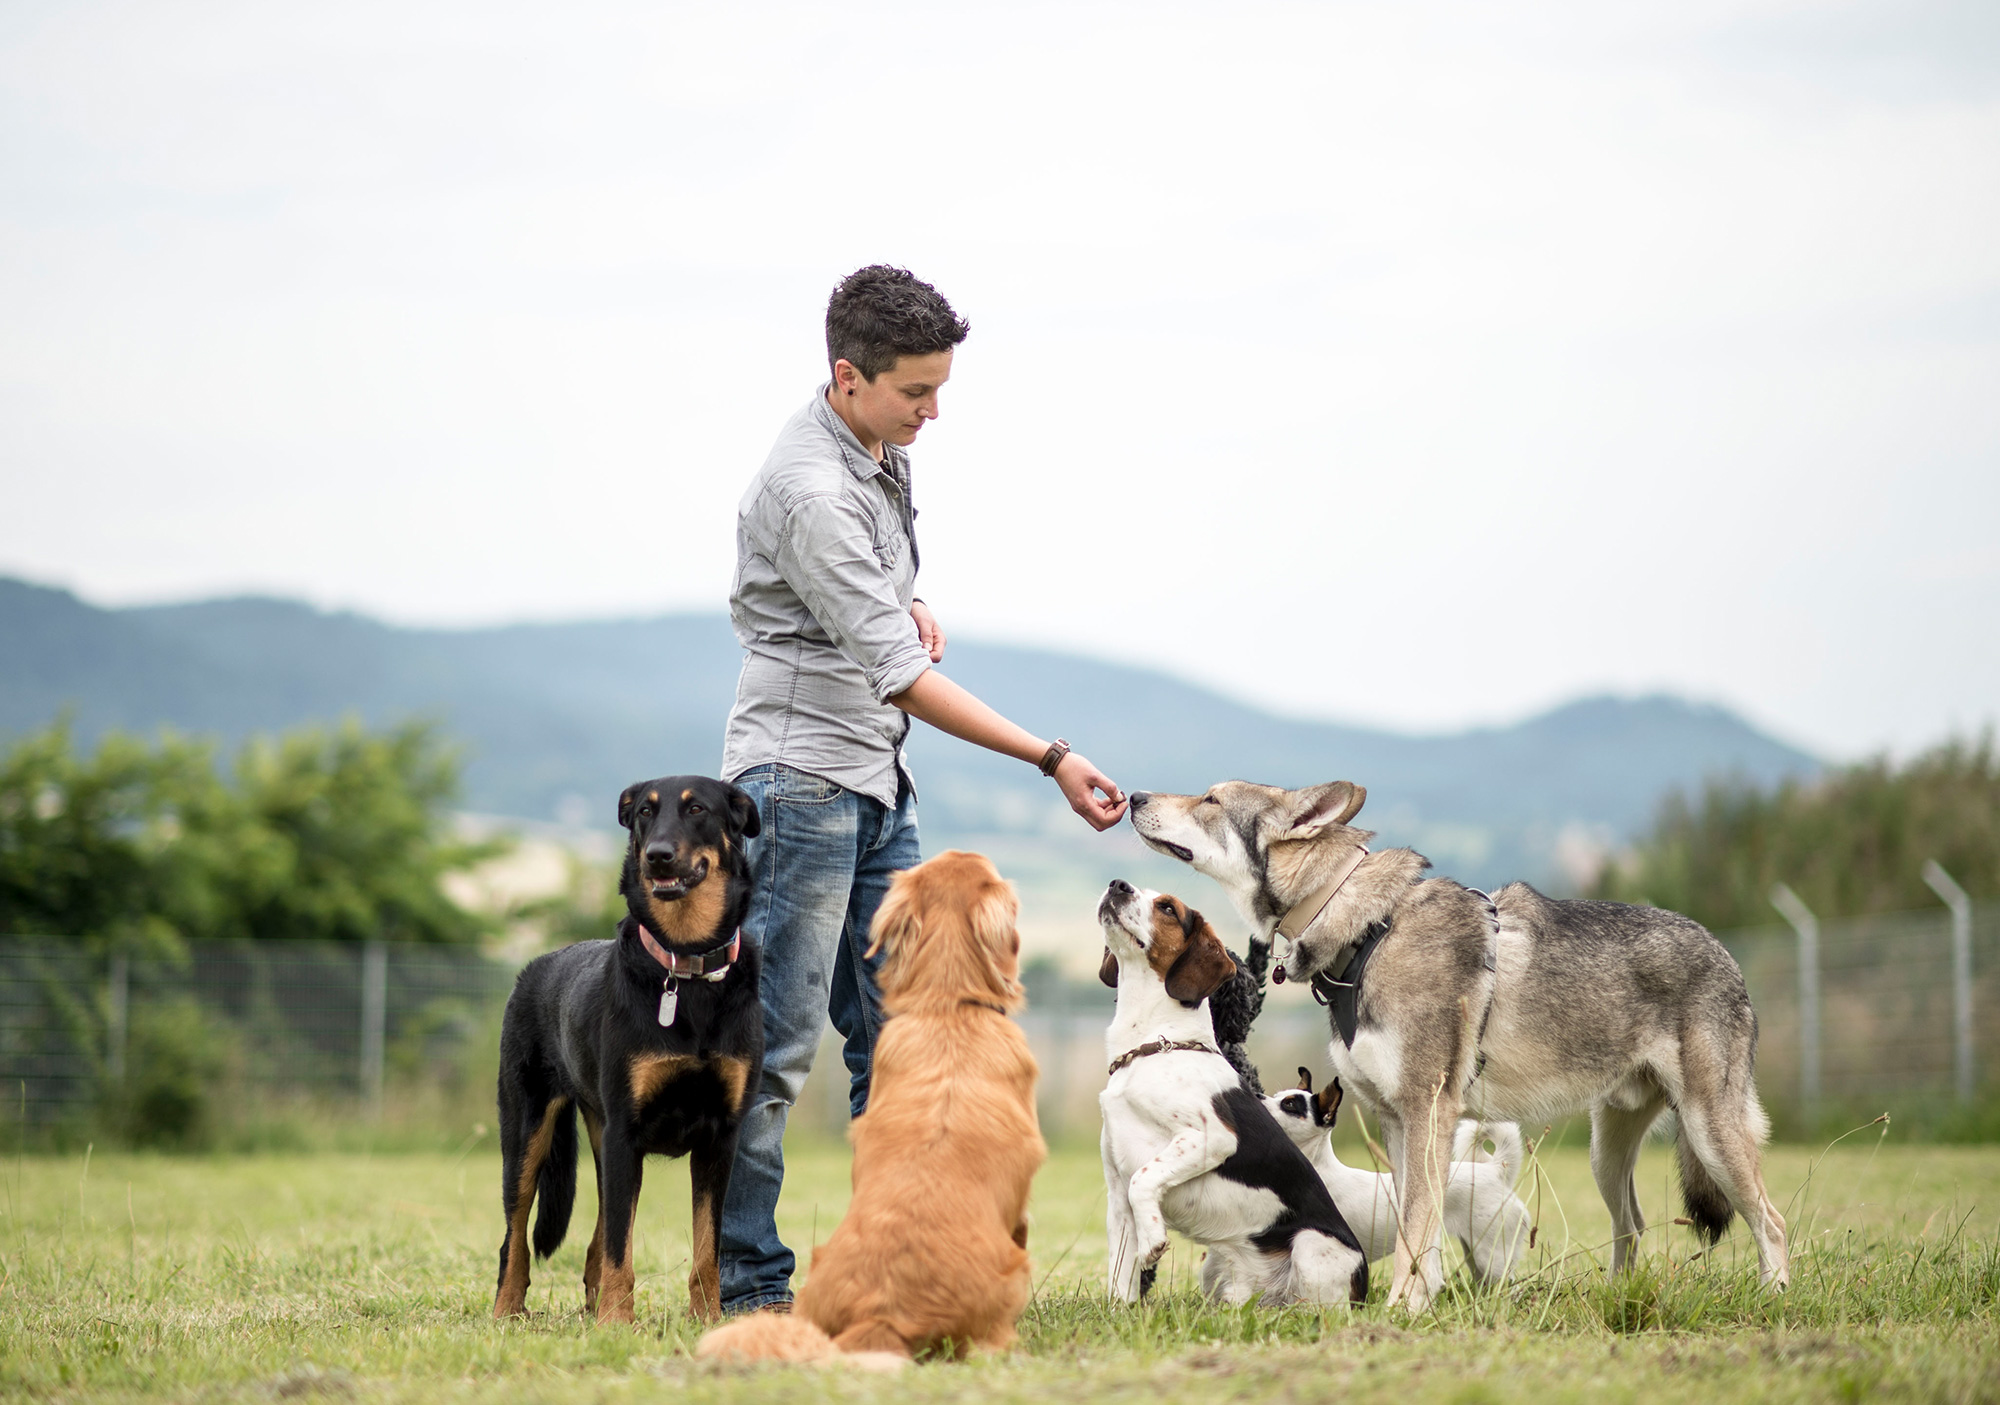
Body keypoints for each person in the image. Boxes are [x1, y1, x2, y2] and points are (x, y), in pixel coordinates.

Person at [717, 265, 1126, 1313]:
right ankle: (750, 1285)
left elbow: (873, 610)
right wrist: (1049, 755)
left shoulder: (872, 448)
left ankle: (897, 1261)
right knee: (772, 1049)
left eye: (939, 389)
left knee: (904, 1036)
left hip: (872, 776)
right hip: (801, 782)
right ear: (847, 377)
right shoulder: (808, 487)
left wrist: (908, 601)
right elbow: (897, 673)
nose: (932, 412)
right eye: (915, 392)